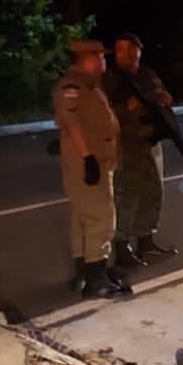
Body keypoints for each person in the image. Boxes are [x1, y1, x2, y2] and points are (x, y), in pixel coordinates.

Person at [52, 40, 130, 299]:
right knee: (101, 219)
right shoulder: (73, 86)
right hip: (88, 164)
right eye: (100, 57)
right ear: (87, 59)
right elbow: (72, 121)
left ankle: (87, 273)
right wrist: (88, 158)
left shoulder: (89, 85)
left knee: (83, 219)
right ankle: (97, 281)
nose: (103, 62)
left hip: (92, 160)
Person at [103, 33, 180, 267]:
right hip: (126, 146)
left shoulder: (147, 75)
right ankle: (122, 248)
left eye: (132, 49)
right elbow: (103, 113)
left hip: (150, 143)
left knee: (152, 192)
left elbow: (162, 95)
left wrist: (165, 99)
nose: (128, 54)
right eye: (122, 50)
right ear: (115, 54)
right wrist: (127, 108)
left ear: (139, 51)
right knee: (126, 196)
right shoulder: (109, 79)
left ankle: (146, 242)